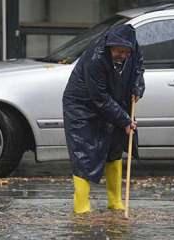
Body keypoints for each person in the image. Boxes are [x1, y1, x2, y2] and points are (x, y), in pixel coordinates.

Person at [62, 24, 145, 214]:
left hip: (113, 99)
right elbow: (99, 98)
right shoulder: (96, 58)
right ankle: (82, 207)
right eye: (118, 51)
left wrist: (138, 84)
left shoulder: (133, 46)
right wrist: (125, 120)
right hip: (82, 106)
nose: (123, 55)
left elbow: (138, 65)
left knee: (114, 148)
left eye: (126, 52)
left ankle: (115, 201)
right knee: (84, 154)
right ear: (109, 46)